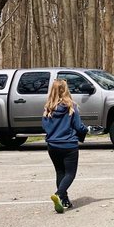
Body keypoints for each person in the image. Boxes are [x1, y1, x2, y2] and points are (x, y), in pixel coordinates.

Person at [41, 78, 87, 213]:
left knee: (60, 172)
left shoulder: (48, 108)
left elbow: (45, 126)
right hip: (69, 145)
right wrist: (87, 130)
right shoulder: (71, 106)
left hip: (53, 145)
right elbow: (79, 126)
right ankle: (59, 194)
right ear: (66, 90)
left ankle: (64, 201)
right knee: (70, 173)